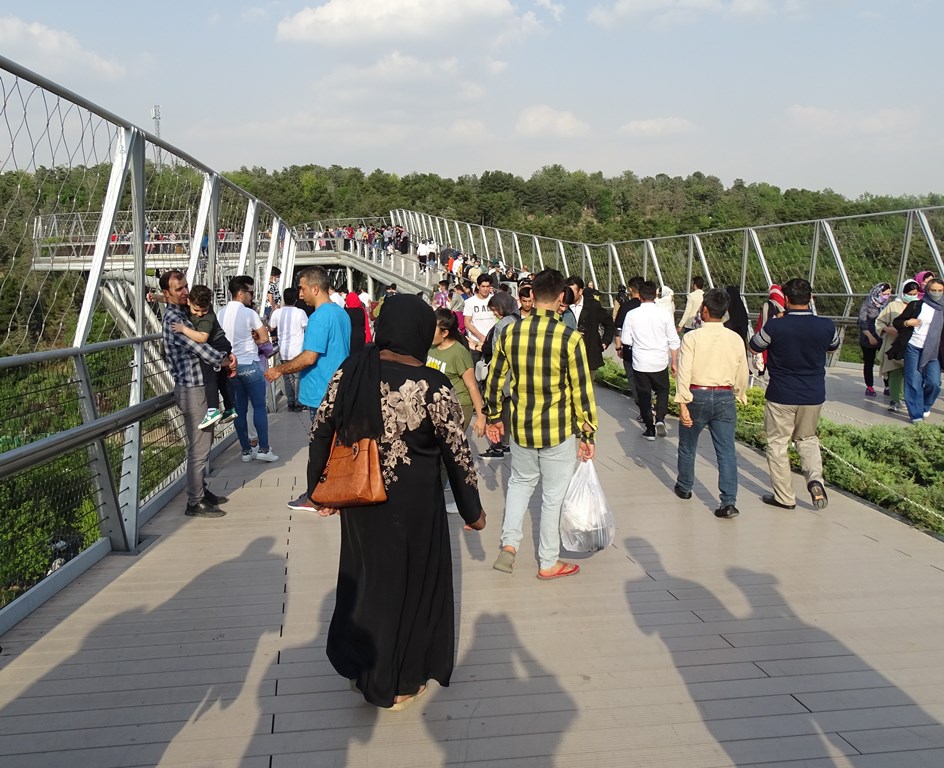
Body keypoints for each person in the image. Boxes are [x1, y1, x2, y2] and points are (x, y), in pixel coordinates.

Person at [306, 294, 485, 711]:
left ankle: (364, 669)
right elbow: (458, 456)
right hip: (415, 510)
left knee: (367, 584)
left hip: (360, 501)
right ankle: (400, 681)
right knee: (409, 590)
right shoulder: (433, 386)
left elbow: (320, 431)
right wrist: (472, 511)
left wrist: (319, 491)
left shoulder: (352, 371)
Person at [484, 269, 597, 581]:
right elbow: (581, 390)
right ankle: (548, 562)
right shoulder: (570, 339)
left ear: (531, 295)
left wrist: (494, 417)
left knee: (520, 483)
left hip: (520, 425)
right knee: (552, 495)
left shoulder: (508, 333)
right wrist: (587, 433)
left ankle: (509, 545)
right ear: (562, 298)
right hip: (557, 429)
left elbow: (495, 379)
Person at [749, 278, 840, 510]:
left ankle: (784, 497)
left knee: (777, 443)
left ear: (786, 300)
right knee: (808, 439)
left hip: (781, 394)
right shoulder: (826, 325)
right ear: (810, 298)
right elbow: (833, 346)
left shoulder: (776, 326)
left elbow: (755, 345)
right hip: (813, 394)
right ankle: (815, 480)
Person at [159, 270, 234, 518]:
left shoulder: (184, 313)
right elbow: (202, 349)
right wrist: (225, 361)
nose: (185, 292)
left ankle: (201, 490)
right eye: (178, 289)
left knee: (203, 444)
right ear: (167, 293)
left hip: (198, 385)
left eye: (185, 286)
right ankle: (195, 501)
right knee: (199, 448)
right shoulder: (174, 321)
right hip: (192, 389)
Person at [674, 289, 749, 519]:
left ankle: (685, 487)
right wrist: (739, 393)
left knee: (688, 445)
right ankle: (728, 501)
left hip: (697, 394)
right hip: (725, 396)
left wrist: (683, 405)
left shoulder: (692, 337)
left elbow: (683, 373)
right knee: (726, 451)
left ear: (704, 310)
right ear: (724, 311)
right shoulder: (735, 338)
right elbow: (742, 372)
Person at [218, 278, 279, 463]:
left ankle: (246, 451)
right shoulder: (248, 313)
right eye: (251, 293)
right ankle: (264, 448)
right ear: (241, 293)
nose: (252, 297)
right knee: (259, 407)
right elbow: (264, 338)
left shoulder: (220, 314)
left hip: (231, 367)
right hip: (250, 364)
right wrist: (254, 342)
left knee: (240, 410)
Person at [621, 280, 681, 441]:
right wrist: (674, 362)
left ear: (639, 296)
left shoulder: (632, 315)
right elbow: (674, 341)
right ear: (656, 295)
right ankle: (660, 418)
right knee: (662, 390)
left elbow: (626, 340)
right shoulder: (664, 314)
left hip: (640, 362)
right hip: (659, 361)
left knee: (644, 394)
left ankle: (649, 428)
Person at [170, 284, 236, 429]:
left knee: (209, 377)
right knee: (221, 379)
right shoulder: (193, 303)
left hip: (217, 345)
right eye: (196, 310)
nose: (200, 314)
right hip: (222, 344)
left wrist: (183, 329)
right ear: (188, 301)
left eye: (204, 310)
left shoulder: (207, 317)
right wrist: (155, 297)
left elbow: (202, 338)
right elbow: (169, 299)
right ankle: (230, 407)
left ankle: (212, 410)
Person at [889, 277, 944, 424]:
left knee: (934, 383)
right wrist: (908, 322)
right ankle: (916, 414)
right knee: (913, 380)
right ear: (927, 290)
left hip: (933, 351)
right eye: (933, 290)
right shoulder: (916, 305)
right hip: (913, 347)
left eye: (940, 290)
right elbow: (897, 321)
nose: (937, 293)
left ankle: (925, 406)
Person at [427, 309, 486, 436]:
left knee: (451, 448)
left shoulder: (458, 353)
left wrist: (481, 417)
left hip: (458, 407)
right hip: (438, 406)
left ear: (445, 332)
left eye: (433, 329)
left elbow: (472, 386)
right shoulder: (431, 347)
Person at [876, 280, 919, 414]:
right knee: (895, 371)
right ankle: (895, 400)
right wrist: (887, 329)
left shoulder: (919, 305)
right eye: (909, 293)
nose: (911, 296)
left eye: (914, 293)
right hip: (894, 343)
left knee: (910, 373)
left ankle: (906, 398)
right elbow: (879, 322)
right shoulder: (893, 306)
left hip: (913, 343)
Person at [562, 275, 615, 378]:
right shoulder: (562, 306)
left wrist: (605, 342)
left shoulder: (593, 306)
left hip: (589, 355)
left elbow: (609, 323)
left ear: (580, 291)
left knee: (586, 390)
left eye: (572, 291)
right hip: (567, 356)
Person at [271, 286, 308, 412]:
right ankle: (299, 402)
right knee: (298, 378)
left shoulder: (277, 313)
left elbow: (271, 327)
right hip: (298, 350)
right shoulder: (300, 312)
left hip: (283, 351)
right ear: (296, 299)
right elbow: (306, 327)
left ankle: (290, 402)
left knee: (287, 378)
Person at [613, 276, 644, 420]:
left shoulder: (626, 307)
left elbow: (618, 329)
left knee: (633, 378)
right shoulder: (653, 306)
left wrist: (618, 347)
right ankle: (650, 404)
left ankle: (643, 407)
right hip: (648, 350)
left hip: (630, 350)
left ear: (631, 289)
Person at [858, 282, 892, 397]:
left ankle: (888, 386)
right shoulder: (867, 305)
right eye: (884, 294)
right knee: (869, 363)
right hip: (868, 338)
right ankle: (870, 387)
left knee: (886, 361)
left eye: (888, 294)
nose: (886, 296)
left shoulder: (888, 305)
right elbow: (862, 323)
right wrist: (870, 337)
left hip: (883, 337)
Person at [752, 284, 785, 376]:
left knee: (764, 353)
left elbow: (762, 320)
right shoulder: (784, 305)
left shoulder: (766, 304)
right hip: (778, 335)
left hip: (766, 332)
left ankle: (761, 373)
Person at [463, 274, 496, 354]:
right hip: (475, 342)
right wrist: (481, 337)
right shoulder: (470, 302)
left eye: (487, 286)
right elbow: (467, 322)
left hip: (492, 340)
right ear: (478, 286)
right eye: (483, 286)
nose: (485, 289)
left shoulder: (495, 299)